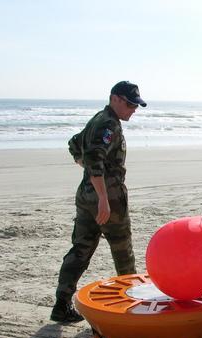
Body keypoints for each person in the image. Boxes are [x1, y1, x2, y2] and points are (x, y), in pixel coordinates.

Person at [51, 81, 147, 322]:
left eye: (136, 105)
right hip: (109, 199)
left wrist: (87, 171)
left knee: (81, 250)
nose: (133, 109)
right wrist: (103, 198)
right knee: (123, 253)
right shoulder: (108, 124)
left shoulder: (99, 119)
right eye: (130, 104)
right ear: (115, 99)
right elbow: (95, 159)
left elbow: (75, 144)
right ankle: (132, 307)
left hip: (86, 196)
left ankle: (61, 305)